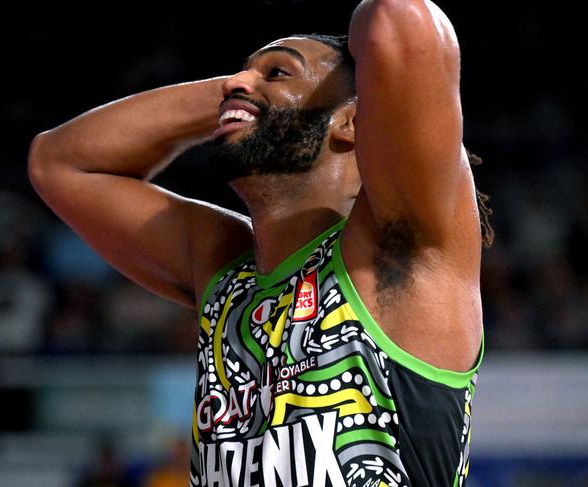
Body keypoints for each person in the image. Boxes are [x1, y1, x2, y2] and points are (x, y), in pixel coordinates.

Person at [28, 1, 493, 485]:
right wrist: (240, 96)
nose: (236, 80)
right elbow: (57, 162)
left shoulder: (398, 246)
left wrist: (258, 96)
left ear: (353, 122)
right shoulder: (223, 268)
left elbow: (402, 22)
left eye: (278, 72)